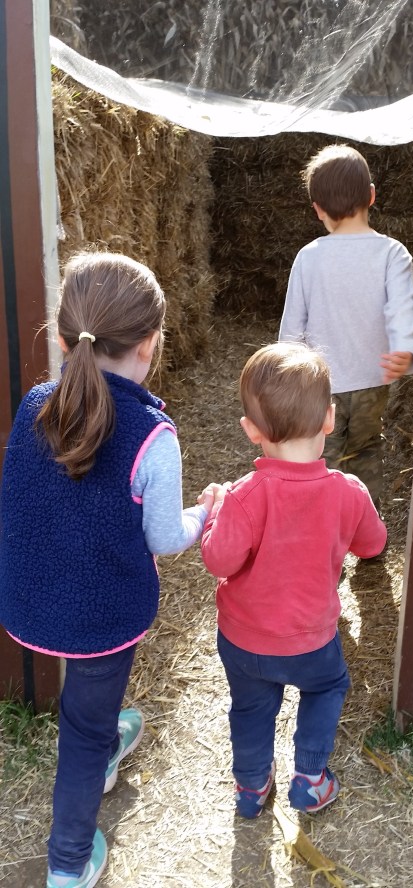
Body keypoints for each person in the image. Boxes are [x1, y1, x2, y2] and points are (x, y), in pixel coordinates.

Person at [0, 252, 219, 888]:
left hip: (31, 598)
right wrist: (204, 513)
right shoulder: (153, 435)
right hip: (100, 615)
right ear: (150, 344)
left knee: (90, 702)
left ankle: (103, 742)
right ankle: (69, 863)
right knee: (84, 728)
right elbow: (163, 538)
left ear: (63, 337)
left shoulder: (35, 403)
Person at [200, 342, 386, 819]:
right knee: (327, 687)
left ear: (250, 430)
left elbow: (219, 561)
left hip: (244, 642)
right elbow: (373, 545)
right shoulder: (349, 492)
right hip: (311, 643)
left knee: (250, 709)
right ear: (329, 418)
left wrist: (214, 513)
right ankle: (309, 778)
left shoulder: (243, 497)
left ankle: (250, 786)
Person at [279, 143, 413, 512]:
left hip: (319, 385)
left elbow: (293, 326)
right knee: (366, 450)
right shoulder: (393, 253)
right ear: (371, 195)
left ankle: (324, 527)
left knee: (320, 458)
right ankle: (367, 528)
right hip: (373, 382)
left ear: (318, 209)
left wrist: (285, 380)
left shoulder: (309, 257)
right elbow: (404, 307)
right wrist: (405, 350)